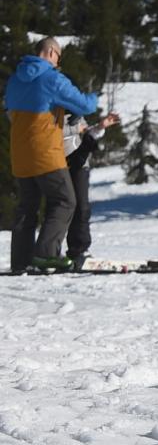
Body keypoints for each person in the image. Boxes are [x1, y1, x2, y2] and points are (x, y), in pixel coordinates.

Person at [7, 37, 100, 274]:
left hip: (20, 154)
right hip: (45, 152)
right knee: (65, 200)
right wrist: (94, 96)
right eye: (58, 56)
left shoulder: (15, 79)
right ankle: (46, 255)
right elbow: (85, 106)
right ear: (50, 52)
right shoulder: (51, 78)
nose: (59, 62)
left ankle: (21, 260)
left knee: (27, 207)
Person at [61, 110, 118, 271]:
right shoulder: (54, 113)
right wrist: (75, 129)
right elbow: (50, 133)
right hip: (61, 165)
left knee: (82, 208)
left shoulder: (77, 114)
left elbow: (87, 134)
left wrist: (101, 126)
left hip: (81, 166)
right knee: (63, 209)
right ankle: (50, 252)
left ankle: (79, 250)